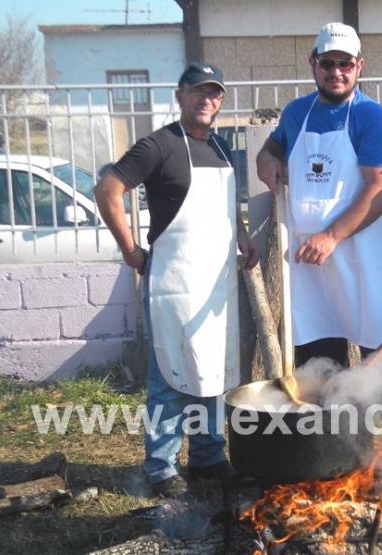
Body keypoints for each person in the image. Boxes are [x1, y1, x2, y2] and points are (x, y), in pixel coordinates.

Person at [256, 22, 382, 467]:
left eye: (346, 64)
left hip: (367, 257)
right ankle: (338, 450)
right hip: (312, 262)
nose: (337, 71)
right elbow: (273, 148)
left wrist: (332, 235)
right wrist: (267, 159)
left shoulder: (369, 116)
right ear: (313, 64)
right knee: (320, 356)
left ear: (360, 67)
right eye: (329, 63)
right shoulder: (297, 112)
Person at [94, 62, 259, 498]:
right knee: (168, 376)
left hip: (216, 283)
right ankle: (161, 466)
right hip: (173, 283)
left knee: (212, 371)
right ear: (180, 95)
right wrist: (130, 250)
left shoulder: (222, 147)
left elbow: (227, 206)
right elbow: (107, 189)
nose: (208, 100)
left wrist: (241, 233)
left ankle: (208, 456)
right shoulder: (159, 145)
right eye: (198, 91)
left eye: (215, 93)